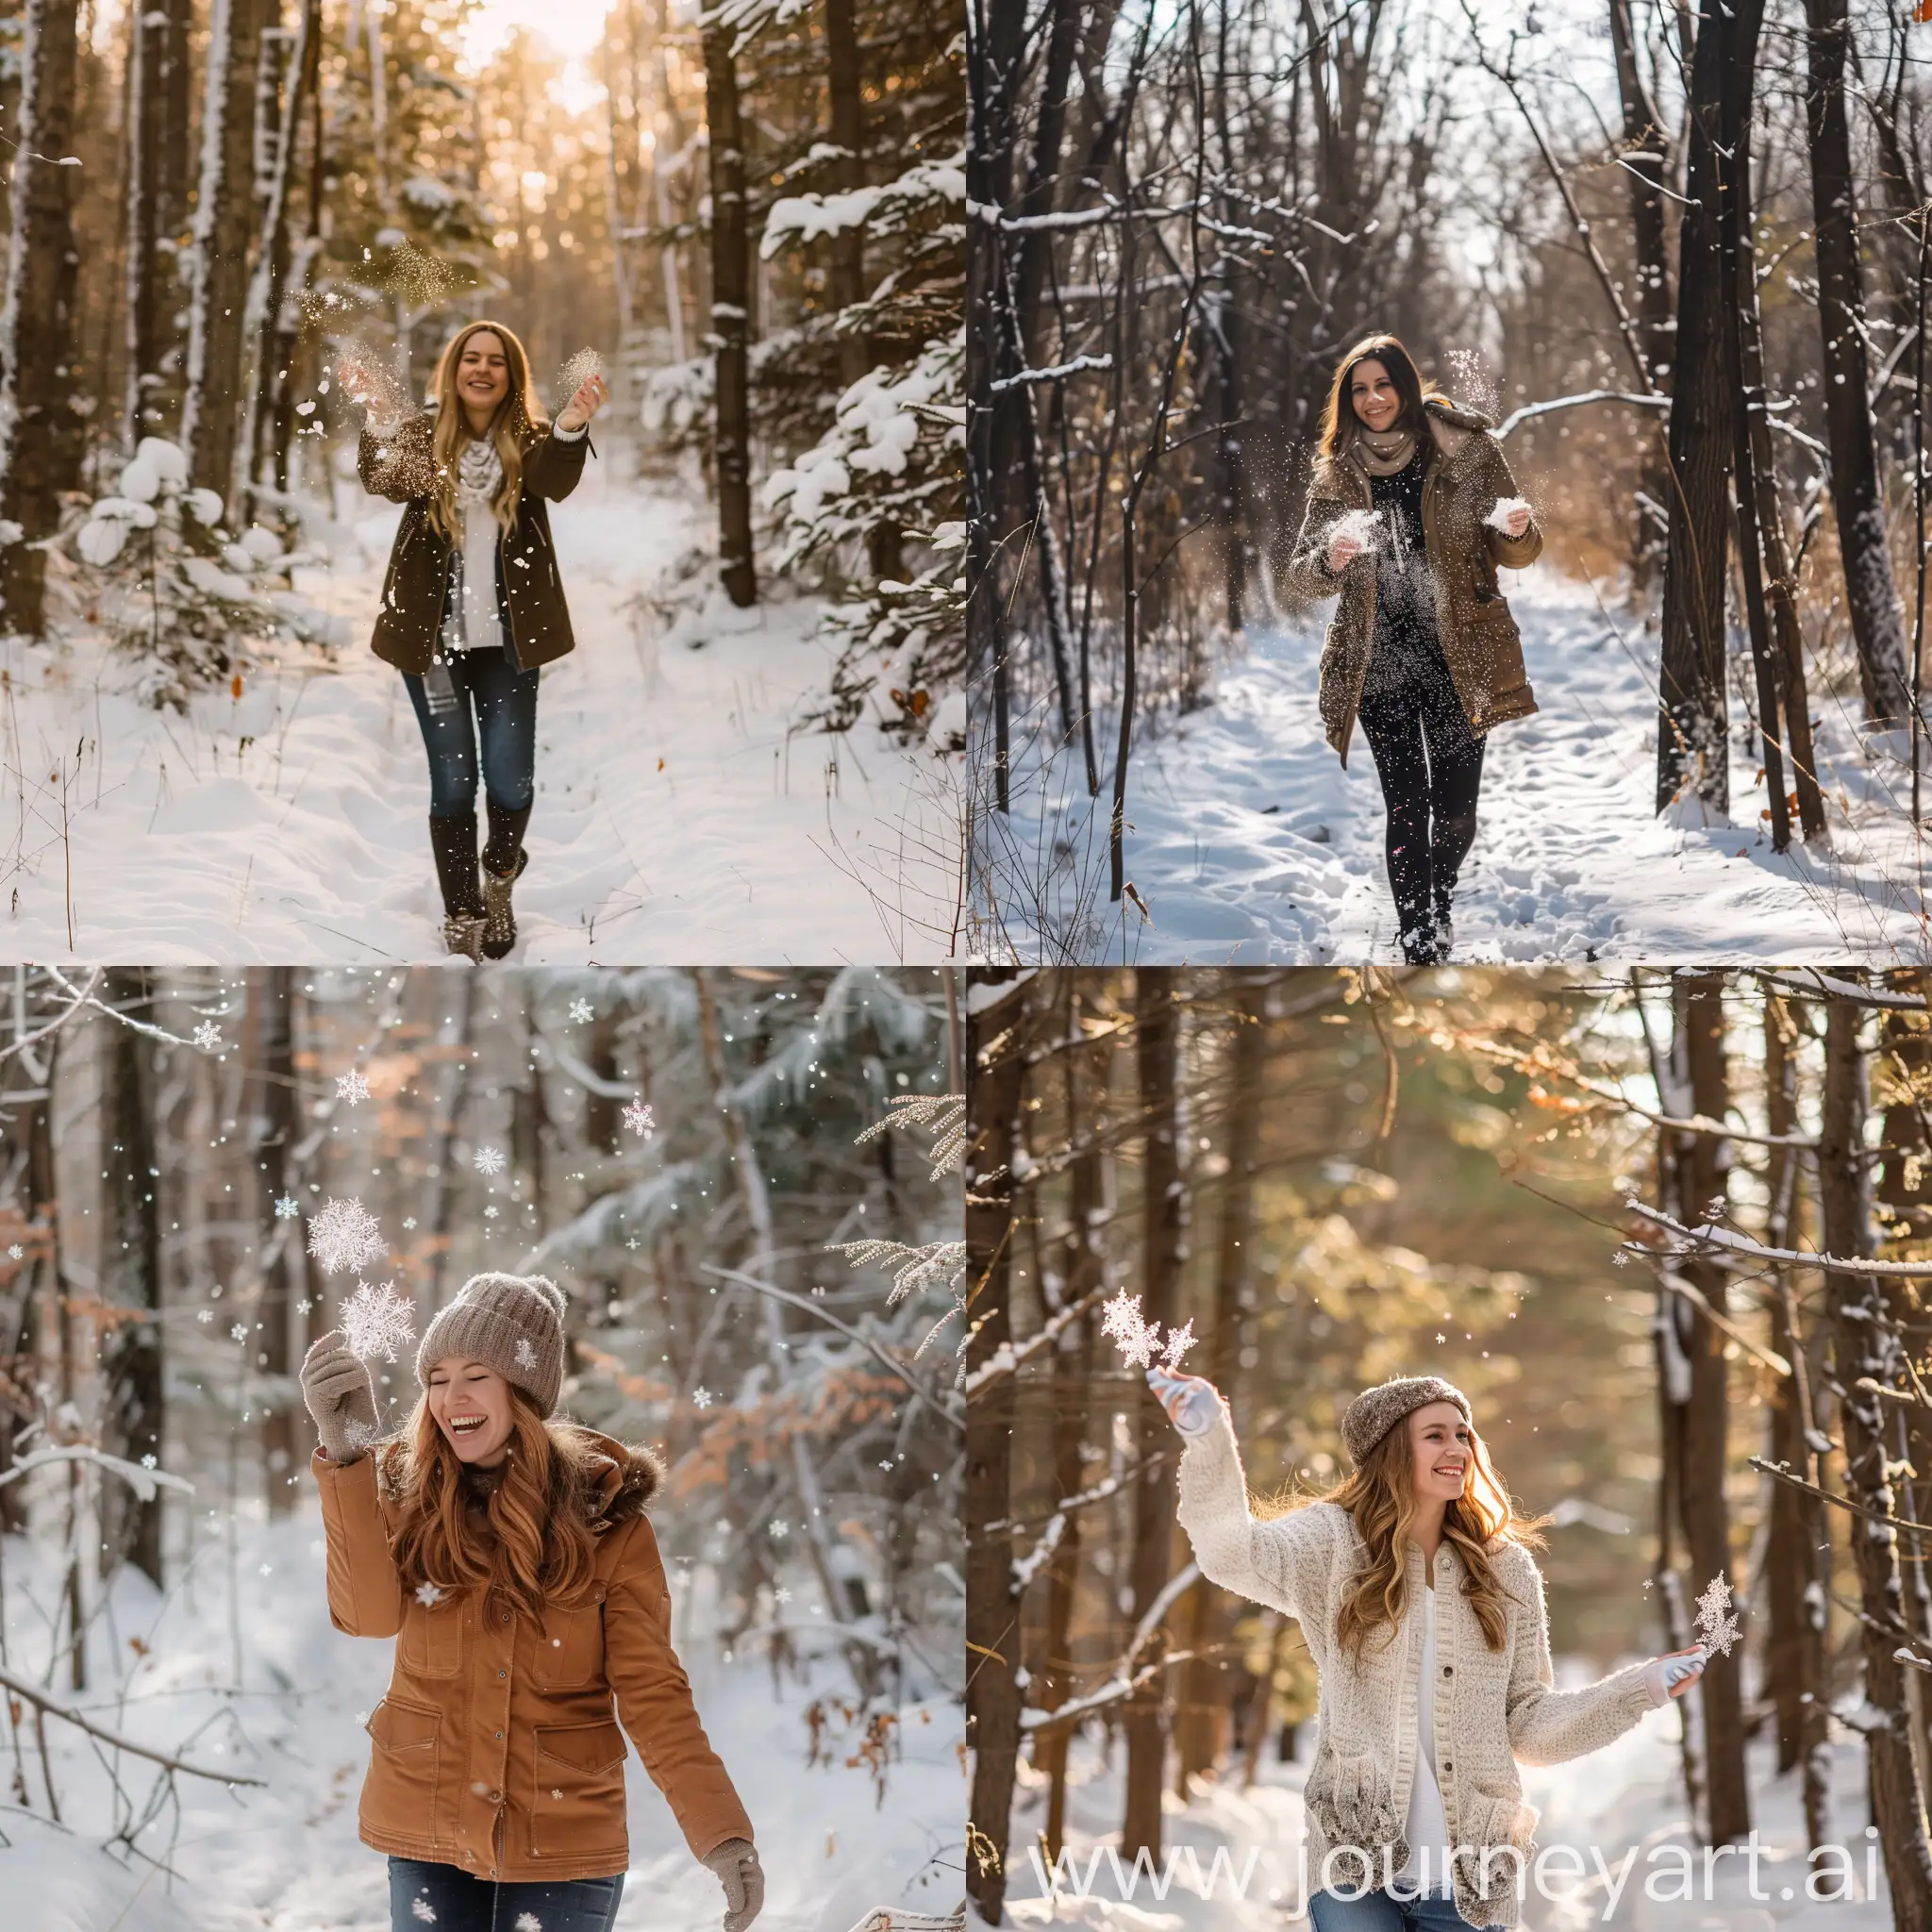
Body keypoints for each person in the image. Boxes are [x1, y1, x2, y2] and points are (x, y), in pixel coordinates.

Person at [1146, 1367, 1704, 1932]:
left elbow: (1530, 1726)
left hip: (1472, 1878)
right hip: (1353, 1866)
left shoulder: (1505, 1570)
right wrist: (1209, 1437)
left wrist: (1641, 1689)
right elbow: (1230, 1553)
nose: (1457, 1447)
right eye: (1435, 1434)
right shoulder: (1332, 1544)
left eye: (1463, 1434)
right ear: (1391, 1451)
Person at [300, 1272, 763, 1932]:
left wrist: (721, 1832)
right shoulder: (408, 1496)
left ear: (523, 1392)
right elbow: (366, 1618)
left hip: (562, 1835)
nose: (450, 1398)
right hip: (428, 1818)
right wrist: (346, 1460)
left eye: (475, 1375)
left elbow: (652, 1690)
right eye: (436, 1378)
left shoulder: (605, 1519)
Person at [346, 322, 609, 960]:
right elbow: (388, 480)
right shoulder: (423, 435)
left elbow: (553, 482)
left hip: (509, 646)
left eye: (496, 361)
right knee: (453, 780)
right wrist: (381, 416)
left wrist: (573, 422)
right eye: (472, 358)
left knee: (512, 778)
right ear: (454, 368)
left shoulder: (532, 439)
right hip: (431, 646)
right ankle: (464, 911)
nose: (482, 369)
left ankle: (500, 874)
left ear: (511, 373)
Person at [1287, 335, 1542, 965]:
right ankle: (1418, 937)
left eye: (1383, 385)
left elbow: (1519, 551)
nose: (1373, 400)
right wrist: (1331, 557)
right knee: (1407, 804)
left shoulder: (1466, 450)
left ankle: (1441, 897)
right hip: (1378, 662)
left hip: (1463, 656)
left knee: (1456, 812)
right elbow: (1298, 579)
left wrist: (1516, 528)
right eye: (1359, 389)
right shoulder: (1337, 470)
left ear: (1406, 385)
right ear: (1347, 400)